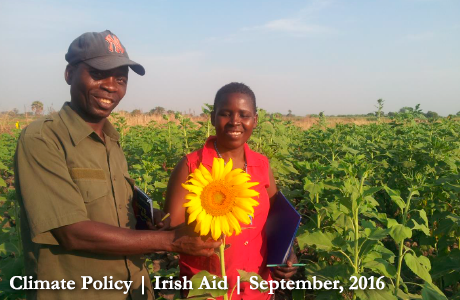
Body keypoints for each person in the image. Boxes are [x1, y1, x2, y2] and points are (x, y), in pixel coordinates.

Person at [14, 30, 220, 300]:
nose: (111, 86)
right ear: (69, 74)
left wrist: (150, 217)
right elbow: (71, 232)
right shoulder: (43, 139)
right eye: (98, 74)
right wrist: (171, 241)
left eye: (121, 79)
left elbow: (111, 206)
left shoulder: (111, 139)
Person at [164, 82, 298, 300]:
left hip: (257, 288)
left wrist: (287, 253)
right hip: (207, 290)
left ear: (255, 120)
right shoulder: (191, 165)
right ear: (212, 118)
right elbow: (171, 231)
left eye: (244, 115)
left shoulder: (261, 165)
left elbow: (277, 220)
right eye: (226, 114)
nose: (235, 121)